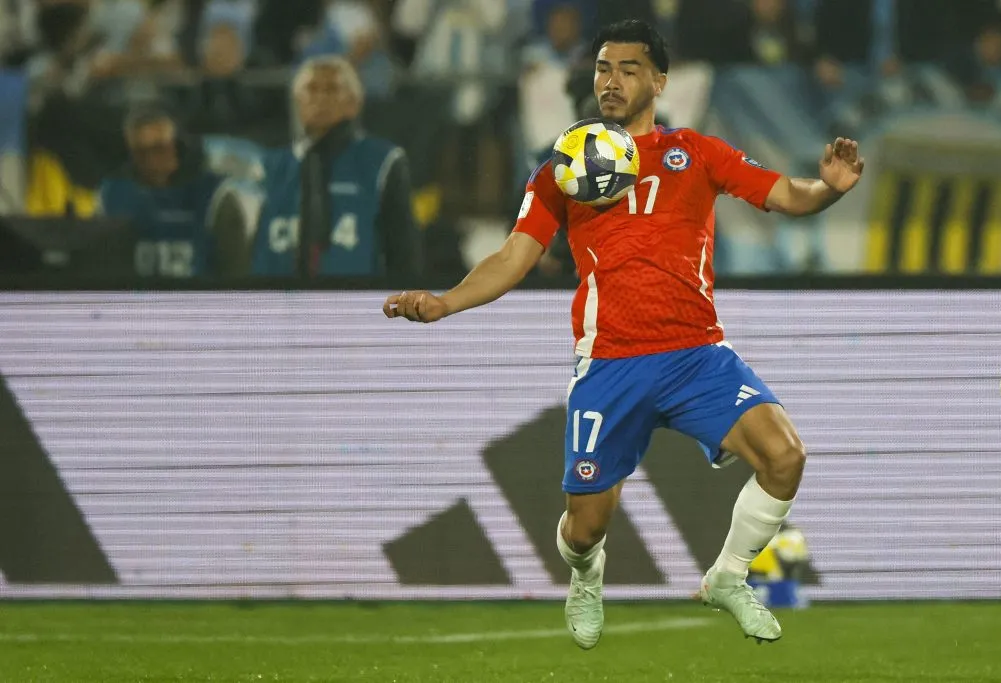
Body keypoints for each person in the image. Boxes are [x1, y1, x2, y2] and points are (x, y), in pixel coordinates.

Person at [383, 19, 864, 648]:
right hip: (611, 362)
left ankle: (728, 576)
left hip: (697, 353)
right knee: (583, 529)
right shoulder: (564, 168)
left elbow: (788, 195)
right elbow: (512, 256)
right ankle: (586, 577)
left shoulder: (694, 152)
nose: (611, 81)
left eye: (628, 69)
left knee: (786, 456)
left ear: (660, 81)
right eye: (603, 69)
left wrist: (827, 189)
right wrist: (445, 303)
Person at [250, 56, 419, 278]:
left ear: (354, 103)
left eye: (332, 89)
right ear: (297, 101)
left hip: (356, 306)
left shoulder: (383, 162)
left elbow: (404, 254)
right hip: (280, 306)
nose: (320, 98)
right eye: (311, 89)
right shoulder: (268, 167)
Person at [98, 104, 248, 278]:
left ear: (176, 145)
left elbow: (236, 275)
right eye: (142, 151)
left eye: (160, 147)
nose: (153, 158)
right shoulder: (111, 194)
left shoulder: (216, 196)